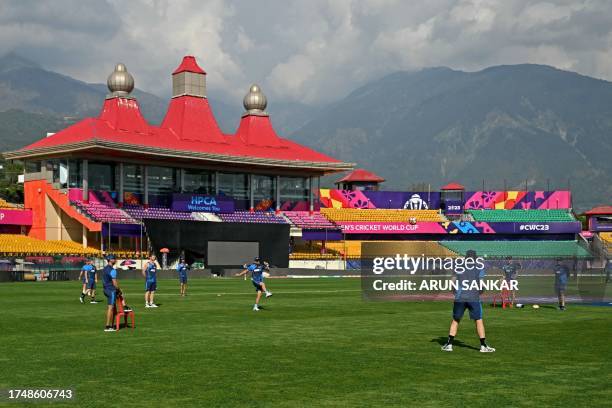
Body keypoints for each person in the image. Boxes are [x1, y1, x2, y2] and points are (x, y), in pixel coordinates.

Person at [442, 250, 495, 353]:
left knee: (456, 320)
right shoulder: (479, 268)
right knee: (478, 320)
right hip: (473, 297)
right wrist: (479, 292)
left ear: (466, 258)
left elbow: (452, 283)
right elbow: (481, 285)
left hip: (460, 297)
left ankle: (449, 345)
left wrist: (455, 293)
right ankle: (483, 346)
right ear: (475, 258)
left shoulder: (458, 267)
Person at [102, 255, 120, 332]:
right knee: (111, 308)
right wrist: (118, 290)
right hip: (111, 290)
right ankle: (108, 326)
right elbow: (115, 283)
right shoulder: (112, 270)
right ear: (110, 260)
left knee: (113, 308)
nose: (115, 260)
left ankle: (112, 325)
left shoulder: (105, 269)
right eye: (114, 259)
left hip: (105, 289)